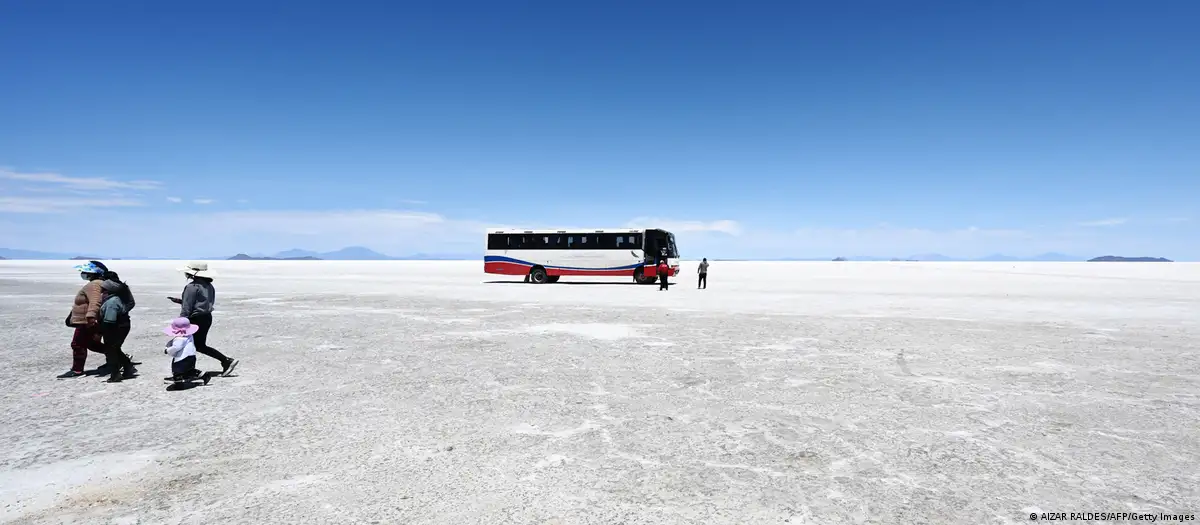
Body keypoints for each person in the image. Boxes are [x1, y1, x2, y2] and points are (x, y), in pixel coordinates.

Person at [170, 262, 238, 376]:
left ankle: (186, 371)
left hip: (195, 319)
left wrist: (181, 323)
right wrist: (180, 301)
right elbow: (202, 303)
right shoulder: (208, 285)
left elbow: (187, 308)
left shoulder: (192, 287)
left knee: (188, 345)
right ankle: (225, 361)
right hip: (206, 318)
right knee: (199, 345)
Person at [59, 261, 109, 378]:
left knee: (77, 344)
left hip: (86, 321)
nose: (83, 273)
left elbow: (95, 301)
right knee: (92, 344)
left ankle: (77, 370)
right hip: (87, 320)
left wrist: (91, 316)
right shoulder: (97, 283)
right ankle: (118, 358)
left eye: (86, 272)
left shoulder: (94, 284)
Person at [98, 275, 138, 382]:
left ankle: (116, 373)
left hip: (115, 328)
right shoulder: (114, 299)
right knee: (115, 349)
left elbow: (109, 320)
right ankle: (127, 367)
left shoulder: (112, 302)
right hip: (120, 326)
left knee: (111, 350)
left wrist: (102, 330)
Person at [163, 317, 211, 385]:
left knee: (178, 369)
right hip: (191, 355)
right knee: (189, 370)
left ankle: (178, 378)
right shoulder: (189, 335)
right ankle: (204, 375)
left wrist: (167, 350)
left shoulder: (180, 338)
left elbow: (176, 347)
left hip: (182, 358)